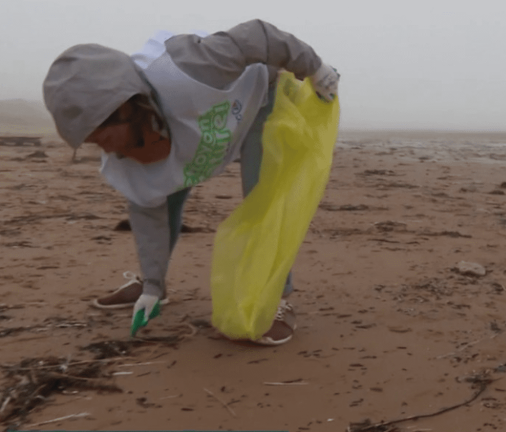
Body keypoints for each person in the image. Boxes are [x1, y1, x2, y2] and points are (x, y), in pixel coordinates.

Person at [42, 19, 340, 345]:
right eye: (94, 143)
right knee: (163, 196)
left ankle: (275, 300)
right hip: (191, 137)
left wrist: (315, 67)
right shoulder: (125, 156)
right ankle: (152, 284)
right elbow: (148, 210)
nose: (108, 149)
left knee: (263, 197)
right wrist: (153, 287)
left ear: (126, 107)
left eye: (104, 136)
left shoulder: (188, 71)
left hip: (256, 101)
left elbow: (259, 36)